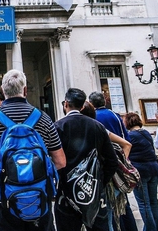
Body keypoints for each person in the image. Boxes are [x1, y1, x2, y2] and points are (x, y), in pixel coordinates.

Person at [0, 69, 66, 231]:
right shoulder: (44, 118)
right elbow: (60, 161)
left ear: (3, 91)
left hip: (4, 200)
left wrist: (0, 178)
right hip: (39, 197)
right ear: (25, 90)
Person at [54, 88, 118, 231]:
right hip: (95, 193)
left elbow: (53, 161)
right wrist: (100, 180)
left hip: (66, 194)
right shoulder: (98, 126)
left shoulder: (58, 127)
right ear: (83, 106)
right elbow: (112, 161)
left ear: (65, 104)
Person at [88, 92, 136, 231]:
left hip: (107, 164)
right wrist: (124, 161)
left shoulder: (94, 119)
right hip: (118, 162)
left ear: (91, 103)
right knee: (123, 203)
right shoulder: (115, 114)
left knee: (109, 205)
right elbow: (126, 139)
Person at [125, 112, 158, 231]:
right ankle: (157, 228)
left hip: (140, 170)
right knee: (153, 202)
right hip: (153, 168)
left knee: (144, 203)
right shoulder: (146, 133)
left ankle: (151, 229)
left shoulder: (131, 136)